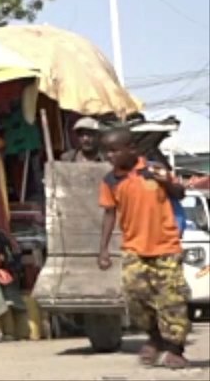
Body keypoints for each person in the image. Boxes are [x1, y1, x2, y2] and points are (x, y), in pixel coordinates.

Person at [97, 128, 190, 369]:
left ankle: (175, 348)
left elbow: (180, 194)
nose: (110, 156)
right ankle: (155, 338)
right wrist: (103, 249)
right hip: (134, 249)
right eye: (106, 151)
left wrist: (166, 182)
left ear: (132, 150)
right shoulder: (110, 181)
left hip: (165, 247)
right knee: (135, 299)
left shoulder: (153, 169)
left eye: (115, 150)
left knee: (172, 300)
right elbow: (109, 213)